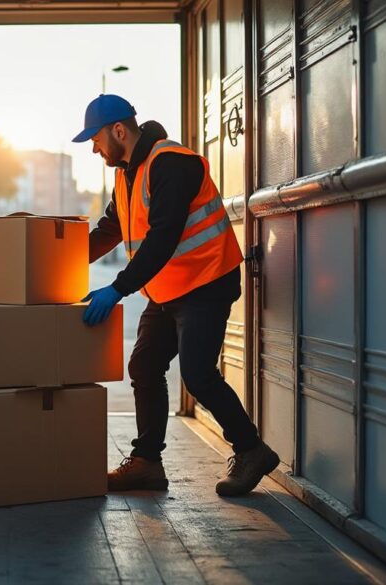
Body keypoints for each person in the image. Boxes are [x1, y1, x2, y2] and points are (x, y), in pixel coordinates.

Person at [74, 94, 279, 497]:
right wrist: (54, 255)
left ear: (119, 130)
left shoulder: (172, 163)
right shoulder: (125, 172)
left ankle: (252, 450)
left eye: (96, 140)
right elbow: (110, 229)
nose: (95, 149)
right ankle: (147, 464)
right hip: (169, 287)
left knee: (198, 375)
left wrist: (117, 289)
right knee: (145, 365)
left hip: (206, 282)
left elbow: (163, 236)